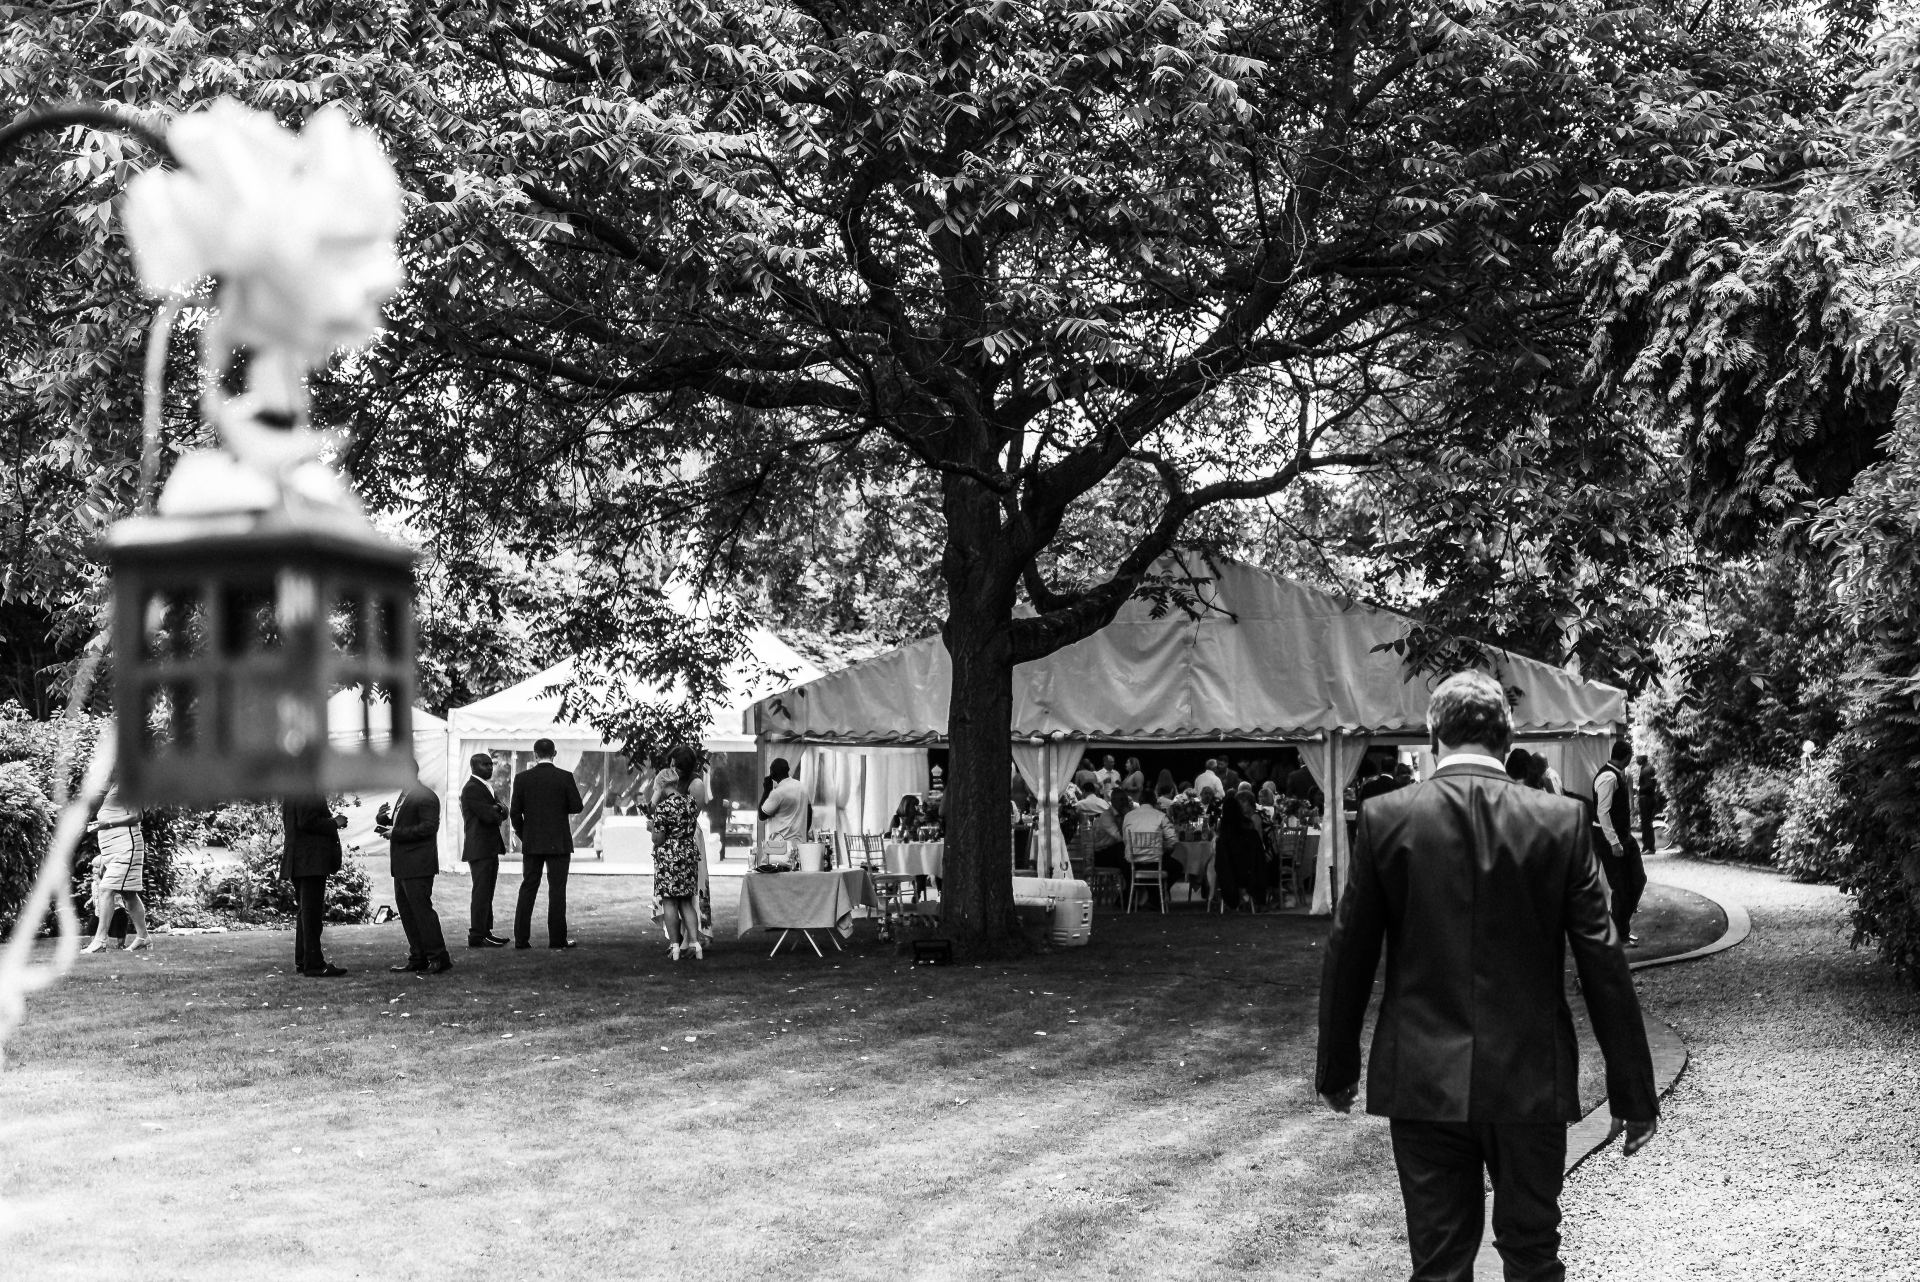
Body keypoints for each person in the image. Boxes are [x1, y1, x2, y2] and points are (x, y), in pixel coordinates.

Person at [1316, 669, 1659, 1280]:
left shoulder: (1386, 817)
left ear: (1433, 736)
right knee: (1532, 1255)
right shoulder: (1560, 822)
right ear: (1507, 737)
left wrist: (1337, 1068)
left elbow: (1350, 951)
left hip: (1422, 1076)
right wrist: (1632, 1089)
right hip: (1529, 1075)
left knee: (1440, 1264)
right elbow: (1601, 958)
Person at [510, 738, 583, 949]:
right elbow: (577, 806)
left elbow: (515, 812)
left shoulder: (522, 779)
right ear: (555, 753)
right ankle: (557, 939)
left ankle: (521, 939)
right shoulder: (564, 777)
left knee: (528, 888)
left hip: (533, 841)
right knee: (557, 890)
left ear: (535, 755)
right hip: (558, 841)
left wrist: (525, 834)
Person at [377, 775, 452, 974]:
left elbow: (429, 827)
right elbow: (402, 823)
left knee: (422, 912)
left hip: (418, 864)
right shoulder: (404, 795)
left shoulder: (425, 796)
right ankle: (418, 957)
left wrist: (397, 833)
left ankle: (438, 957)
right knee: (407, 913)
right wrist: (383, 820)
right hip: (402, 864)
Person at [279, 794, 348, 977]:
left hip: (300, 859)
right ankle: (314, 963)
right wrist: (335, 822)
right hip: (309, 860)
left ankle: (304, 959)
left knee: (306, 912)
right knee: (311, 914)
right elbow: (307, 821)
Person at [653, 743, 706, 961]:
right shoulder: (690, 802)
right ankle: (695, 943)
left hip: (669, 856)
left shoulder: (663, 808)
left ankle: (675, 945)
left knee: (669, 902)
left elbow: (658, 837)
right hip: (688, 852)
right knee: (687, 901)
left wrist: (655, 832)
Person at [81, 787, 151, 954]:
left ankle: (100, 941)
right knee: (128, 894)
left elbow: (137, 816)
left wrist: (108, 824)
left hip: (126, 848)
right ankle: (143, 937)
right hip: (113, 850)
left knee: (105, 888)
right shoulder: (114, 787)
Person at [1593, 739, 1647, 947]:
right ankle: (1619, 933)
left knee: (1638, 879)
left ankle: (1621, 927)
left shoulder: (1618, 774)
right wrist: (1614, 842)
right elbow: (1602, 812)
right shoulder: (1608, 776)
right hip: (1611, 838)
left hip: (1624, 836)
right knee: (1621, 886)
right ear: (1627, 756)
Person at [460, 752, 510, 947]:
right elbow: (490, 815)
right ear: (474, 766)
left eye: (491, 764)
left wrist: (499, 809)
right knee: (481, 891)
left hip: (488, 846)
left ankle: (485, 931)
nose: (490, 768)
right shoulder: (472, 788)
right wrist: (499, 809)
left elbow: (502, 810)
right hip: (479, 847)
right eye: (485, 765)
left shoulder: (484, 786)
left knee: (487, 891)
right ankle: (477, 934)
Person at [1214, 791, 1267, 911]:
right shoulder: (1249, 830)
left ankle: (1214, 897)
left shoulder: (1224, 837)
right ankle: (1245, 895)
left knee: (1213, 866)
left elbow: (1221, 863)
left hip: (1230, 875)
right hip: (1250, 872)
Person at [760, 756, 809, 845]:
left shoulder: (778, 792)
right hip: (800, 844)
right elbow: (809, 812)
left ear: (772, 772)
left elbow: (762, 815)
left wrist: (766, 791)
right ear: (788, 770)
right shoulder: (802, 788)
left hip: (781, 846)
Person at [1635, 753, 1661, 854]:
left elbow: (1648, 786)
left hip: (1646, 799)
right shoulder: (1648, 768)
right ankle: (1649, 847)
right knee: (1647, 823)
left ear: (1642, 758)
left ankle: (1648, 847)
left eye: (1638, 757)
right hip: (1649, 798)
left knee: (1646, 823)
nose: (1636, 759)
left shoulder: (1646, 770)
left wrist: (1638, 788)